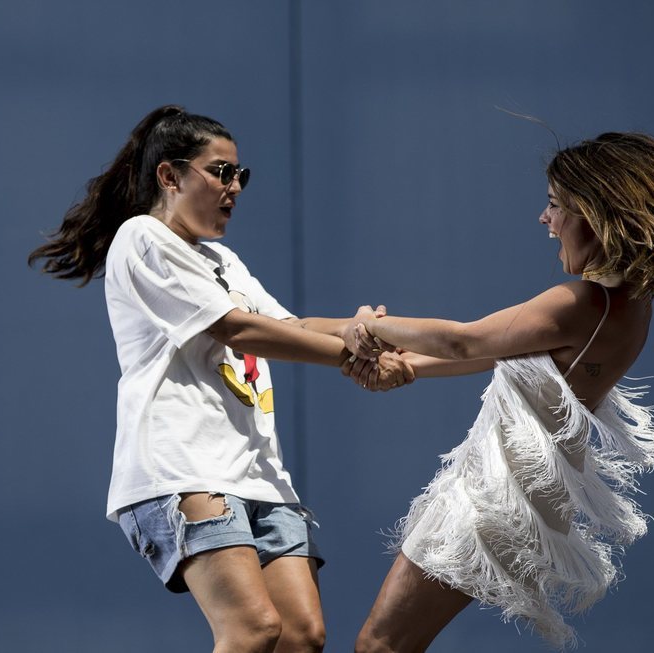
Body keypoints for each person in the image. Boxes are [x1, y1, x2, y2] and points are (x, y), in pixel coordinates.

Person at [29, 105, 411, 653]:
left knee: (302, 635)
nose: (234, 187)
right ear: (170, 175)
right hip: (183, 468)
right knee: (252, 629)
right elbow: (237, 329)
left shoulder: (223, 261)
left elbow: (289, 325)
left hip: (259, 475)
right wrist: (351, 355)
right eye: (221, 172)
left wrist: (367, 330)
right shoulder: (142, 238)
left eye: (241, 176)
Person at [343, 132, 654, 651]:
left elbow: (464, 340)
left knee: (380, 645)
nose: (544, 220)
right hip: (524, 496)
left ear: (594, 212)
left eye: (554, 206)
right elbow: (495, 353)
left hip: (494, 495)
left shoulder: (581, 301)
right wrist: (407, 367)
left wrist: (371, 323)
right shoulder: (630, 306)